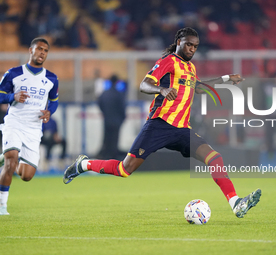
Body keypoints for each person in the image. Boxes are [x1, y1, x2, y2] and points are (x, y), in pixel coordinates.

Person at [63, 27, 261, 218]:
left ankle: (235, 203)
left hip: (183, 129)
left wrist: (226, 79)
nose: (192, 49)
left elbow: (199, 88)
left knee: (214, 157)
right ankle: (84, 164)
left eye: (195, 46)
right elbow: (144, 84)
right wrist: (162, 90)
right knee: (125, 169)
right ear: (178, 43)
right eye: (189, 45)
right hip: (160, 125)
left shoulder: (190, 67)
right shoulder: (168, 61)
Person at [0, 38, 59, 215]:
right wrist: (13, 97)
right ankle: (2, 206)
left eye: (45, 50)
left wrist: (50, 112)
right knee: (11, 162)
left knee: (26, 175)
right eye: (39, 49)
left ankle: (5, 156)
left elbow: (54, 102)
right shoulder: (13, 73)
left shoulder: (51, 78)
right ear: (30, 50)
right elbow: (1, 95)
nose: (42, 52)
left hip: (34, 129)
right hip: (15, 123)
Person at [97, 75, 127, 159]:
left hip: (107, 120)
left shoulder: (104, 93)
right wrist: (122, 118)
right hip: (116, 121)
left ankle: (105, 157)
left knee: (106, 140)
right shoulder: (118, 94)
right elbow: (122, 108)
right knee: (114, 141)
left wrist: (105, 113)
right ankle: (112, 159)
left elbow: (100, 103)